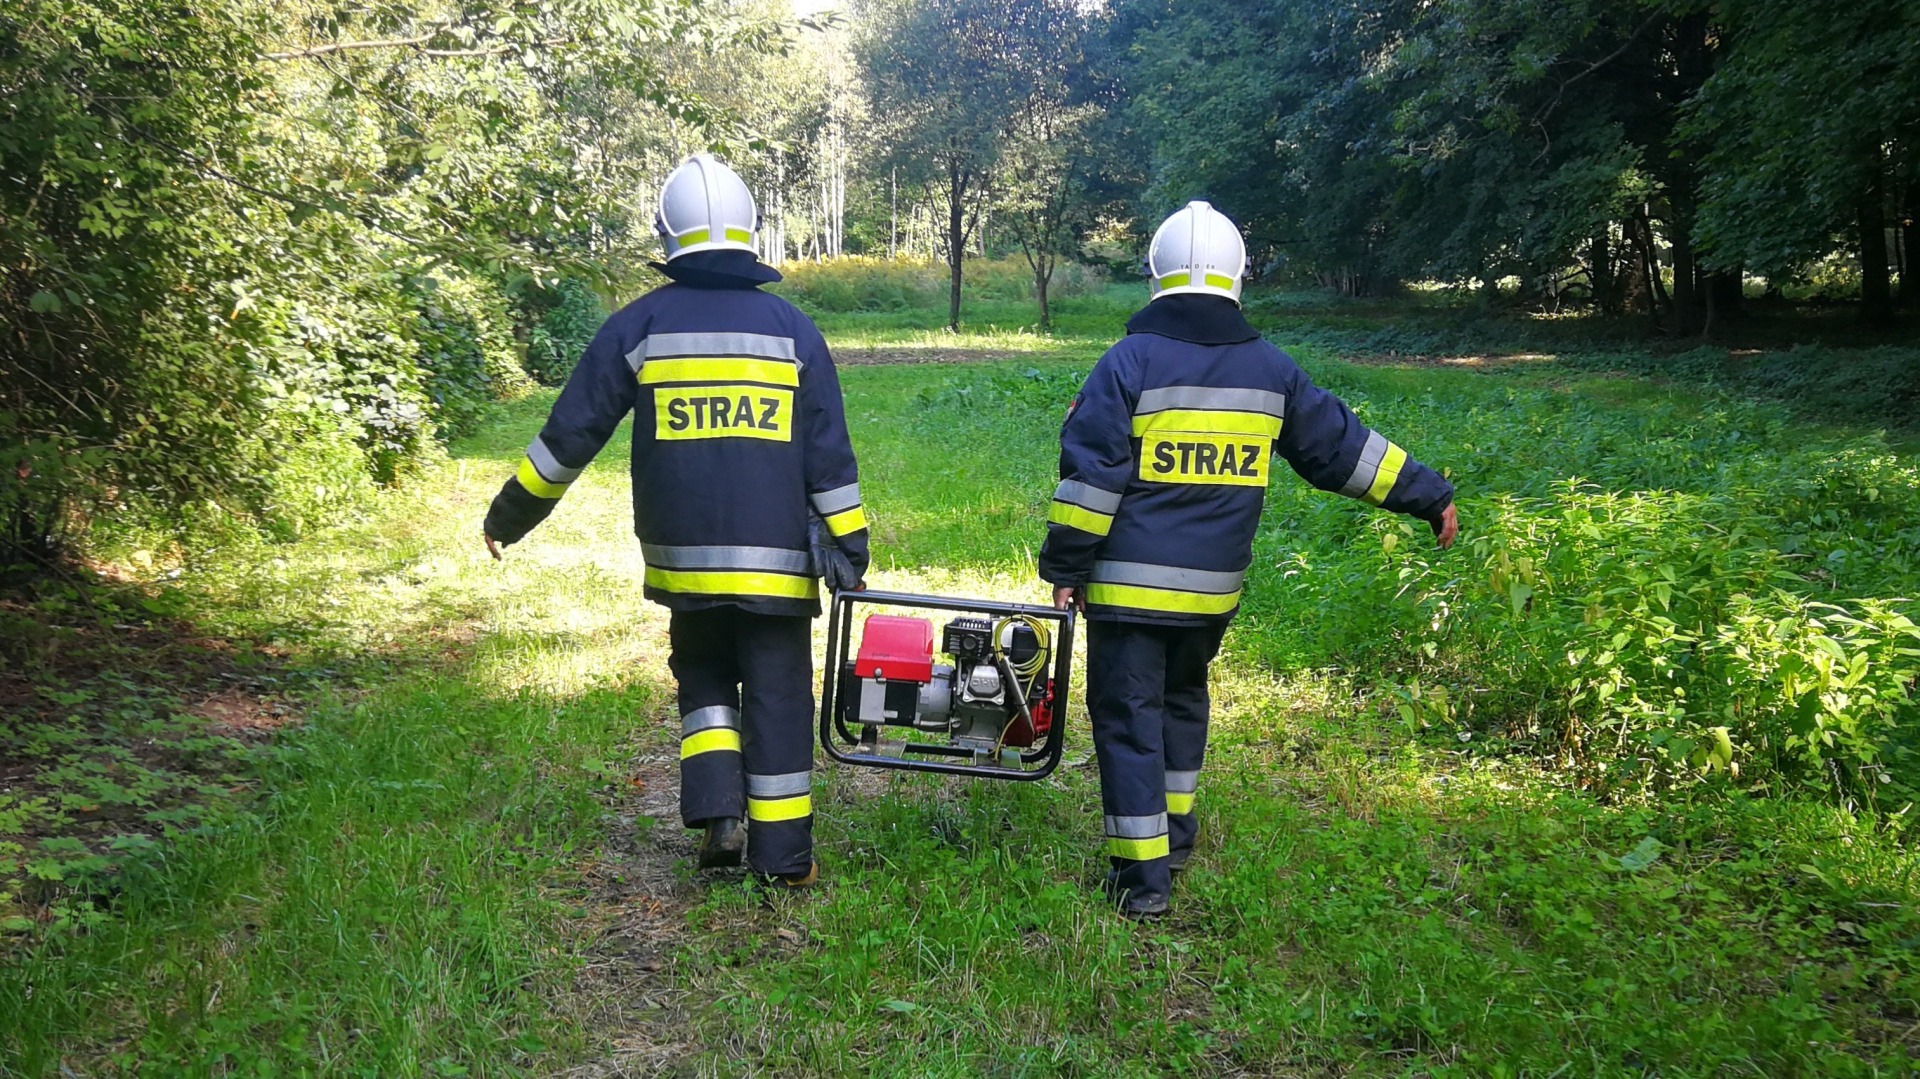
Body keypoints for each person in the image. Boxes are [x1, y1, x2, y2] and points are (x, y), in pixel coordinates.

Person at [1038, 201, 1458, 918]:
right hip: (1211, 596)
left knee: (1127, 717)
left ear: (1155, 275)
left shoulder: (1129, 362)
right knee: (1182, 702)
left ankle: (1142, 881)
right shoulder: (1272, 371)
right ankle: (1174, 834)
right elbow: (1343, 450)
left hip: (1130, 593)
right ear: (1240, 277)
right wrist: (1428, 494)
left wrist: (1065, 568)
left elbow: (1091, 482)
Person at [482, 154, 869, 889]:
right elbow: (829, 454)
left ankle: (720, 811)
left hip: (683, 559)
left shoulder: (640, 326)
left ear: (669, 236)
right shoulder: (794, 331)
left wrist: (511, 515)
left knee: (703, 672)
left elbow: (569, 437)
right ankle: (783, 858)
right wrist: (850, 541)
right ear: (751, 233)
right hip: (776, 563)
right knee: (779, 689)